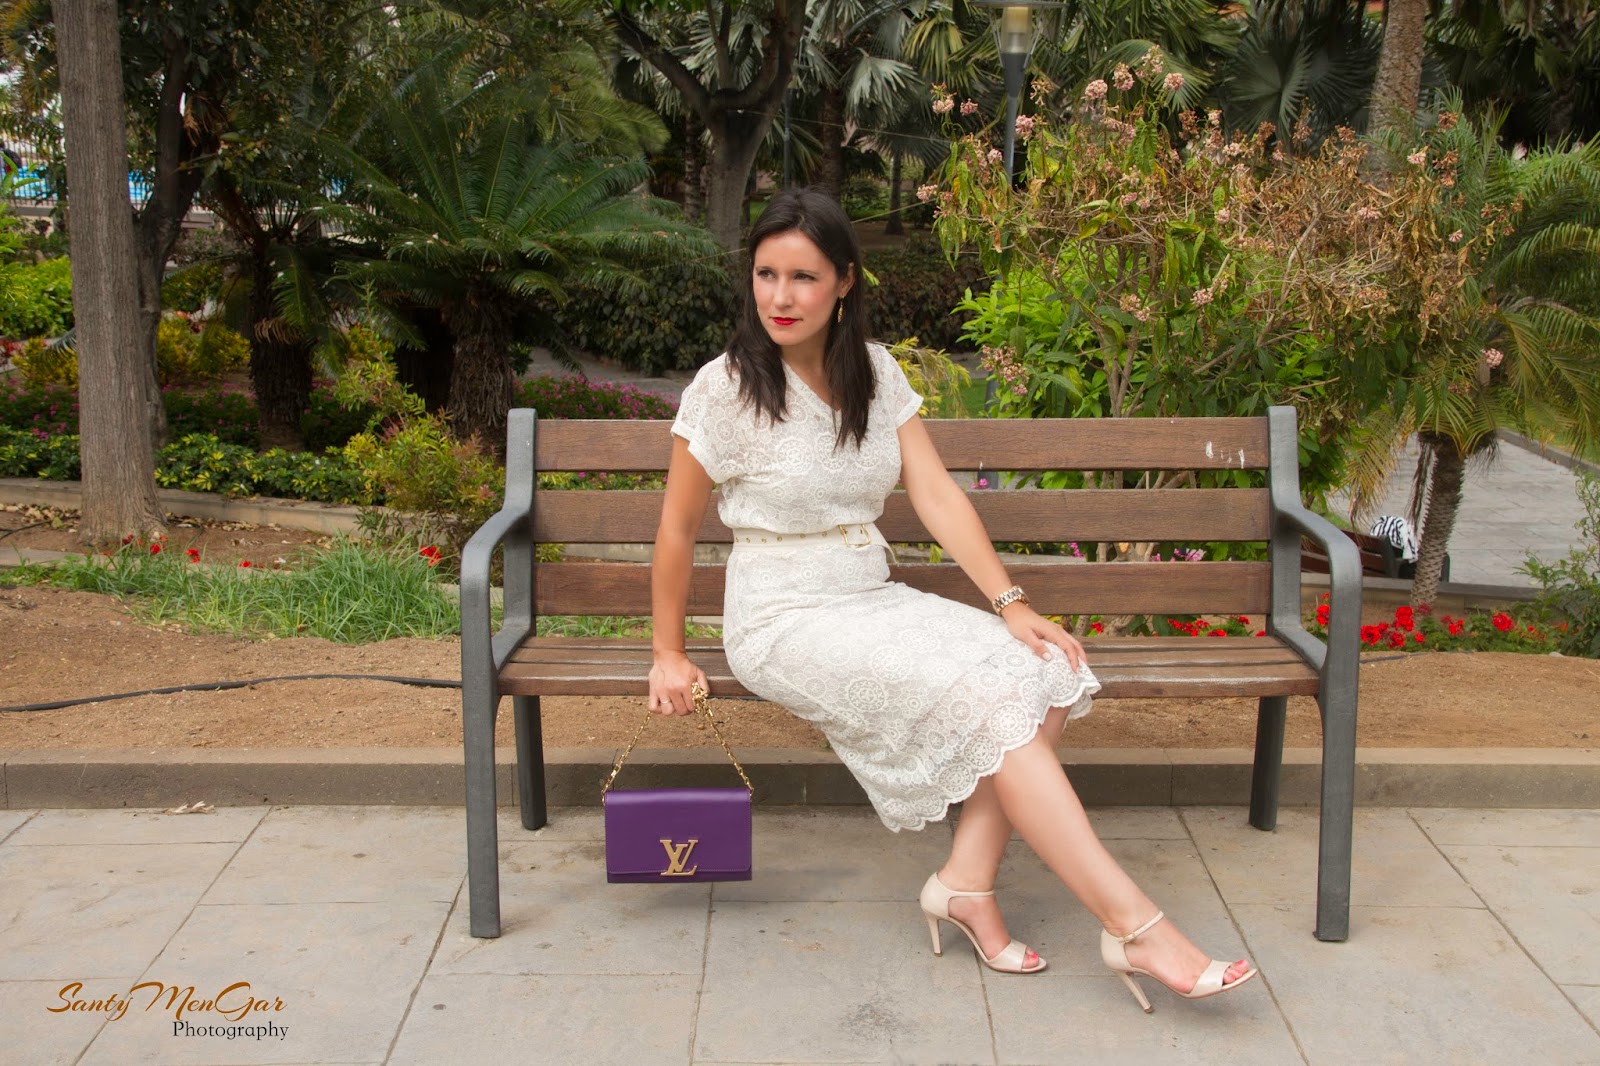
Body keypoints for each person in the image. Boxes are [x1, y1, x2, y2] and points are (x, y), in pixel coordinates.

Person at [648, 187, 1256, 1010]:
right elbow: (678, 529)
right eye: (765, 274)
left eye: (803, 277)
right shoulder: (725, 389)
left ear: (845, 282)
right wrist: (667, 652)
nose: (780, 297)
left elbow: (934, 494)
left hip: (868, 592)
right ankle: (1133, 925)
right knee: (990, 700)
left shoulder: (875, 373)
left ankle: (966, 884)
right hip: (781, 616)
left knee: (1045, 668)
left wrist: (1011, 603)